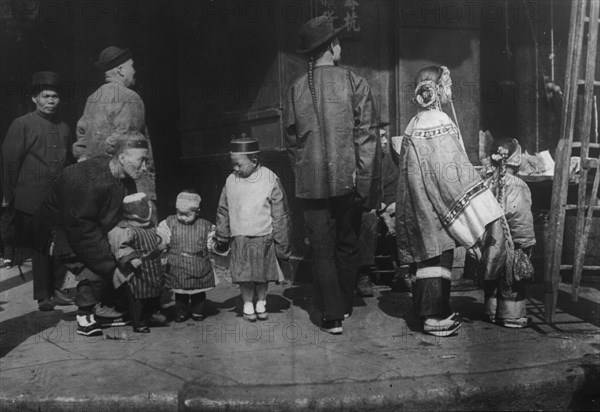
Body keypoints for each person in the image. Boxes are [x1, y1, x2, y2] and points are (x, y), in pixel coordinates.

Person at [284, 16, 381, 334]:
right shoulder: (355, 82)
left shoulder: (295, 90)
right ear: (332, 47)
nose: (340, 47)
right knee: (348, 242)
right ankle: (346, 305)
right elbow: (367, 138)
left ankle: (332, 315)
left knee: (322, 248)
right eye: (338, 42)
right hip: (349, 180)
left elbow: (291, 144)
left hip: (311, 183)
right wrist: (364, 183)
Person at [396, 65, 505, 337]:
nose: (451, 90)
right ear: (435, 89)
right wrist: (478, 196)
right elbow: (451, 171)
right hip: (433, 202)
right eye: (447, 85)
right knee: (435, 255)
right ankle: (433, 316)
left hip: (418, 201)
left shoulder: (416, 122)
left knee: (428, 255)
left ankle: (432, 312)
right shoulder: (438, 122)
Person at [33, 130, 149, 336]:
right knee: (99, 265)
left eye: (146, 161)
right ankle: (84, 315)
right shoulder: (87, 181)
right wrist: (112, 265)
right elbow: (82, 233)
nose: (145, 167)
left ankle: (109, 303)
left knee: (122, 256)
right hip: (59, 234)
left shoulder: (124, 177)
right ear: (121, 158)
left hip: (84, 230)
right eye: (141, 161)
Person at [1, 71, 73, 311]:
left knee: (62, 243)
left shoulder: (63, 127)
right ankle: (43, 295)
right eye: (46, 96)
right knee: (41, 247)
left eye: (55, 96)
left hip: (59, 198)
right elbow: (10, 162)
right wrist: (8, 196)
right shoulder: (22, 124)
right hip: (32, 198)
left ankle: (59, 289)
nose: (51, 100)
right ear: (34, 98)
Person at [215, 136, 291, 322]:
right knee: (244, 276)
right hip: (239, 237)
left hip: (262, 236)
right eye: (233, 164)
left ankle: (261, 303)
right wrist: (222, 234)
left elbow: (280, 214)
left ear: (255, 160)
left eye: (239, 164)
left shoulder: (270, 179)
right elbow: (223, 209)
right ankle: (248, 304)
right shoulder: (231, 180)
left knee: (261, 275)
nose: (235, 168)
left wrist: (282, 242)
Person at [72, 46, 155, 201]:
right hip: (123, 188)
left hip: (93, 184)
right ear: (121, 70)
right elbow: (132, 147)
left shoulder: (92, 99)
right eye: (132, 66)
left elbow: (81, 143)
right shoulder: (130, 97)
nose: (135, 71)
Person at [479, 139, 536, 328]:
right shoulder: (518, 185)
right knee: (510, 277)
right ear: (515, 159)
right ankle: (511, 316)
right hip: (510, 242)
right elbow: (520, 217)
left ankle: (492, 311)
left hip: (490, 242)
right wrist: (525, 243)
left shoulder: (486, 183)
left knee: (493, 275)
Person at [108, 192, 169, 333]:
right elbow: (120, 246)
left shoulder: (150, 226)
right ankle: (139, 322)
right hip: (137, 270)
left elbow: (157, 238)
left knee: (154, 291)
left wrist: (161, 245)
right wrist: (130, 257)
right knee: (138, 297)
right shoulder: (125, 229)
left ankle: (153, 314)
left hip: (153, 267)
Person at [157, 190, 216, 323]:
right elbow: (162, 234)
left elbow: (211, 241)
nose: (182, 217)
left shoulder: (205, 225)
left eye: (187, 214)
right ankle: (181, 311)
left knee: (198, 291)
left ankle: (198, 311)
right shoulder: (170, 222)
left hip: (199, 264)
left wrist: (215, 245)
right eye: (179, 213)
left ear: (197, 212)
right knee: (180, 292)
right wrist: (160, 241)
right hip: (178, 264)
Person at [356, 121, 397, 297]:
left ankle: (403, 271)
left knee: (402, 215)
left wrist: (389, 208)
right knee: (368, 219)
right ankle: (363, 274)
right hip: (365, 209)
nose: (386, 141)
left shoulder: (387, 161)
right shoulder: (359, 162)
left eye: (385, 136)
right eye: (381, 137)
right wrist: (377, 208)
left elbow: (393, 188)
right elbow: (357, 193)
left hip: (384, 207)